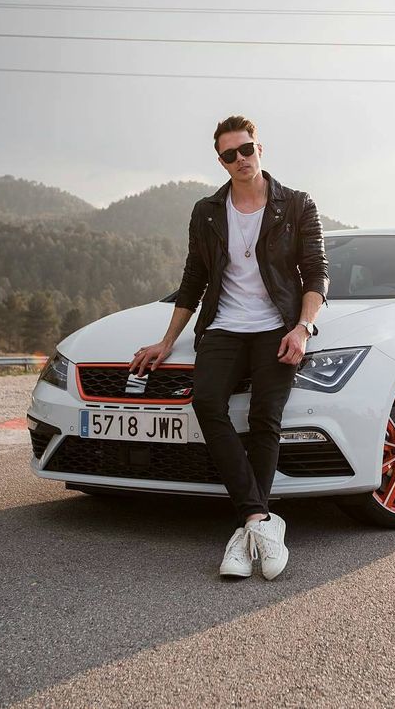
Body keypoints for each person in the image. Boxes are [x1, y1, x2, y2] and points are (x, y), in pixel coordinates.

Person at [129, 115, 329, 580]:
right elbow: (193, 282)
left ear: (262, 149)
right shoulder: (207, 211)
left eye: (247, 149)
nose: (240, 159)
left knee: (265, 417)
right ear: (220, 161)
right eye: (229, 154)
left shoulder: (296, 205)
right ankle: (259, 519)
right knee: (206, 401)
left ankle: (245, 534)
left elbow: (316, 273)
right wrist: (167, 340)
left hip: (276, 326)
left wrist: (302, 328)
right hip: (223, 327)